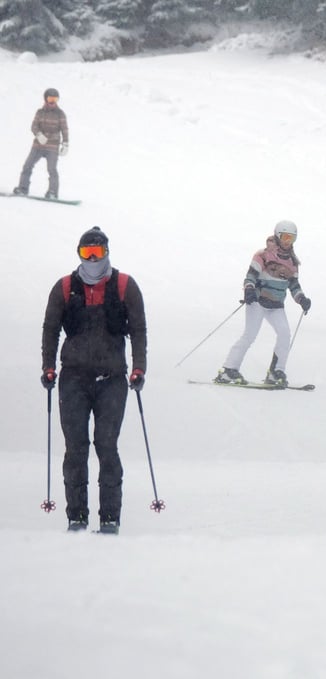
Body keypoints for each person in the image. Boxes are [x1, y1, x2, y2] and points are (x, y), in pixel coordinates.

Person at [40, 227, 147, 534]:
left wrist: (138, 368)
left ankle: (110, 517)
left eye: (96, 253)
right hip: (73, 378)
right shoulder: (64, 287)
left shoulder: (125, 285)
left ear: (106, 253)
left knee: (106, 445)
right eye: (85, 253)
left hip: (112, 378)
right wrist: (49, 367)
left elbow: (139, 329)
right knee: (75, 448)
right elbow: (50, 328)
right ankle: (77, 516)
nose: (91, 259)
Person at [215, 220, 311, 387]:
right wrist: (249, 289)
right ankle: (228, 369)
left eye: (292, 238)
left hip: (276, 305)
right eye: (286, 237)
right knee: (250, 335)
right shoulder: (263, 255)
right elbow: (251, 275)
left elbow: (294, 285)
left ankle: (276, 372)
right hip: (258, 301)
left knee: (284, 334)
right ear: (278, 236)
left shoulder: (293, 262)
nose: (288, 242)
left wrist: (302, 299)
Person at [14, 87, 69, 200]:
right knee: (27, 166)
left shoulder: (60, 114)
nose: (53, 101)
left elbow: (64, 129)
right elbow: (34, 126)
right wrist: (39, 135)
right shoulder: (40, 112)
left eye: (55, 99)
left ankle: (52, 192)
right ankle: (23, 189)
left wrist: (65, 143)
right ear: (45, 99)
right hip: (38, 146)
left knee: (52, 170)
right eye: (50, 98)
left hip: (52, 147)